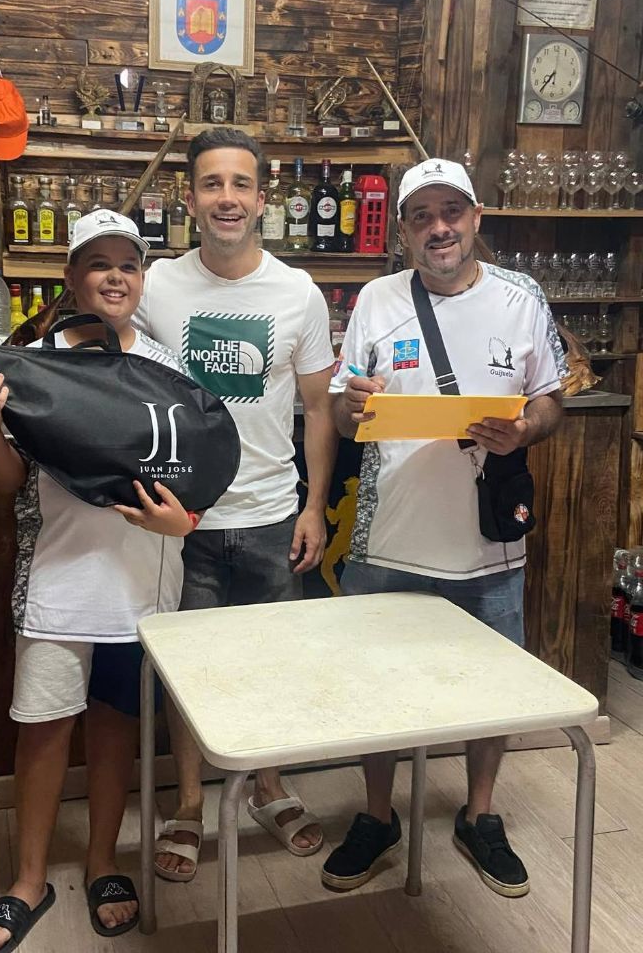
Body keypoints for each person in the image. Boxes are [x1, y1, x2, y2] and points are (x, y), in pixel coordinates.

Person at [324, 158, 566, 898]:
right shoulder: (376, 299)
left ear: (476, 218)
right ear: (401, 230)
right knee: (373, 685)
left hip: (487, 541)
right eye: (421, 215)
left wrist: (524, 429)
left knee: (495, 687)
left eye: (451, 212)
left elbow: (550, 399)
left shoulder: (521, 297)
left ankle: (480, 814)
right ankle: (377, 815)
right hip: (387, 538)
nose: (439, 228)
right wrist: (351, 404)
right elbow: (341, 410)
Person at [110, 127, 338, 879]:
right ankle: (187, 803)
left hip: (272, 514)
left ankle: (269, 786)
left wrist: (313, 507)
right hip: (184, 518)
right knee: (188, 672)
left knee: (273, 663)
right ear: (190, 199)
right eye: (212, 184)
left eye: (241, 184)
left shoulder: (298, 293)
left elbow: (318, 408)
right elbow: (124, 379)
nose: (227, 198)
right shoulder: (158, 286)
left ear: (263, 198)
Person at [0, 210, 200, 952]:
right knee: (43, 731)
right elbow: (4, 483)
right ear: (71, 278)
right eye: (98, 263)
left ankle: (104, 863)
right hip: (58, 582)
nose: (115, 277)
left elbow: (195, 474)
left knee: (115, 729)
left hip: (143, 587)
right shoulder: (34, 362)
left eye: (128, 264)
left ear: (142, 278)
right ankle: (28, 880)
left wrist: (183, 523)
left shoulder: (165, 366)